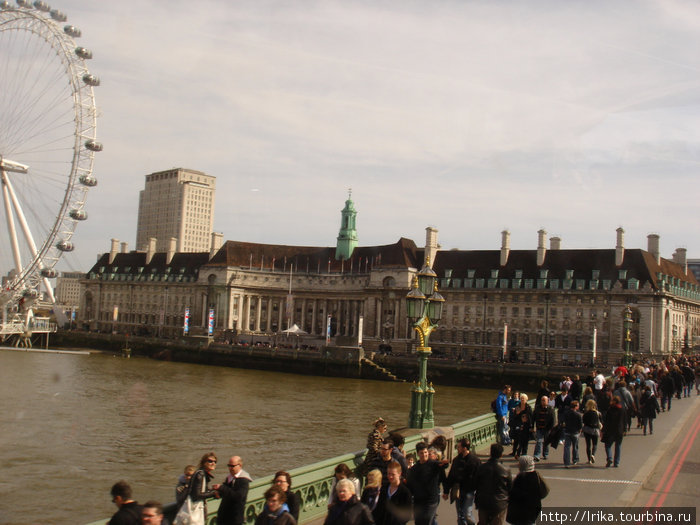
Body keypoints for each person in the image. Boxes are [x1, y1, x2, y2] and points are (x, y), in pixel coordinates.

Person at [406, 441, 447, 525]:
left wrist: (444, 464)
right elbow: (410, 484)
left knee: (427, 522)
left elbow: (442, 467)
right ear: (417, 454)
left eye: (425, 452)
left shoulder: (433, 464)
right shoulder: (414, 469)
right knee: (419, 522)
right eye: (421, 453)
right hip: (418, 501)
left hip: (431, 501)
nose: (424, 455)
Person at [443, 438, 481, 525]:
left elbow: (479, 477)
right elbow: (451, 476)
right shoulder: (456, 460)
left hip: (469, 490)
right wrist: (446, 491)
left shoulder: (475, 461)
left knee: (467, 513)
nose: (457, 448)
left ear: (464, 448)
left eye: (459, 447)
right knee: (460, 515)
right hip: (459, 490)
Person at [474, 443, 512, 525]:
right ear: (501, 455)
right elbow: (510, 488)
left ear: (491, 453)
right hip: (499, 503)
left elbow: (475, 484)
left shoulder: (482, 468)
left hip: (483, 501)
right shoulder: (506, 469)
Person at [506, 456, 549, 525]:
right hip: (532, 512)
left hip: (518, 514)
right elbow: (545, 491)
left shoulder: (519, 479)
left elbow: (512, 494)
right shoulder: (537, 476)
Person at [214, 455, 252, 525]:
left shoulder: (243, 480)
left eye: (232, 466)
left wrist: (222, 488)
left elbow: (238, 496)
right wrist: (219, 492)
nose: (230, 468)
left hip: (234, 518)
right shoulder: (229, 477)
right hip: (224, 517)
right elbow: (227, 492)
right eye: (229, 466)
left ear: (240, 465)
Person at [602, 396, 626, 468]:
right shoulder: (622, 409)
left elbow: (606, 421)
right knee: (618, 446)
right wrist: (624, 429)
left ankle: (609, 458)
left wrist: (603, 430)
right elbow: (625, 420)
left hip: (610, 430)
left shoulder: (610, 409)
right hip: (619, 430)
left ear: (614, 401)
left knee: (608, 445)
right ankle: (616, 462)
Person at [532, 396, 555, 462]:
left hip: (547, 428)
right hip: (539, 427)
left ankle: (545, 454)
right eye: (542, 400)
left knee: (546, 442)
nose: (543, 402)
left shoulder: (550, 409)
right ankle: (537, 455)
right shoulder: (537, 408)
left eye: (544, 400)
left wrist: (551, 428)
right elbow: (533, 417)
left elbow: (553, 419)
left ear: (547, 401)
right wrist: (532, 426)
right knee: (539, 441)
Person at [562, 400, 583, 468]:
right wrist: (579, 430)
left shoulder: (566, 413)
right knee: (575, 447)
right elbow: (580, 425)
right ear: (576, 407)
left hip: (567, 431)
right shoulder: (578, 415)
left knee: (567, 447)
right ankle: (575, 460)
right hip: (575, 432)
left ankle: (566, 462)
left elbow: (563, 422)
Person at [582, 399, 602, 464]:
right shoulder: (598, 413)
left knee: (588, 445)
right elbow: (601, 421)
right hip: (595, 430)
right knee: (595, 444)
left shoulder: (586, 413)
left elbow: (583, 421)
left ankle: (589, 459)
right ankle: (593, 454)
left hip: (587, 429)